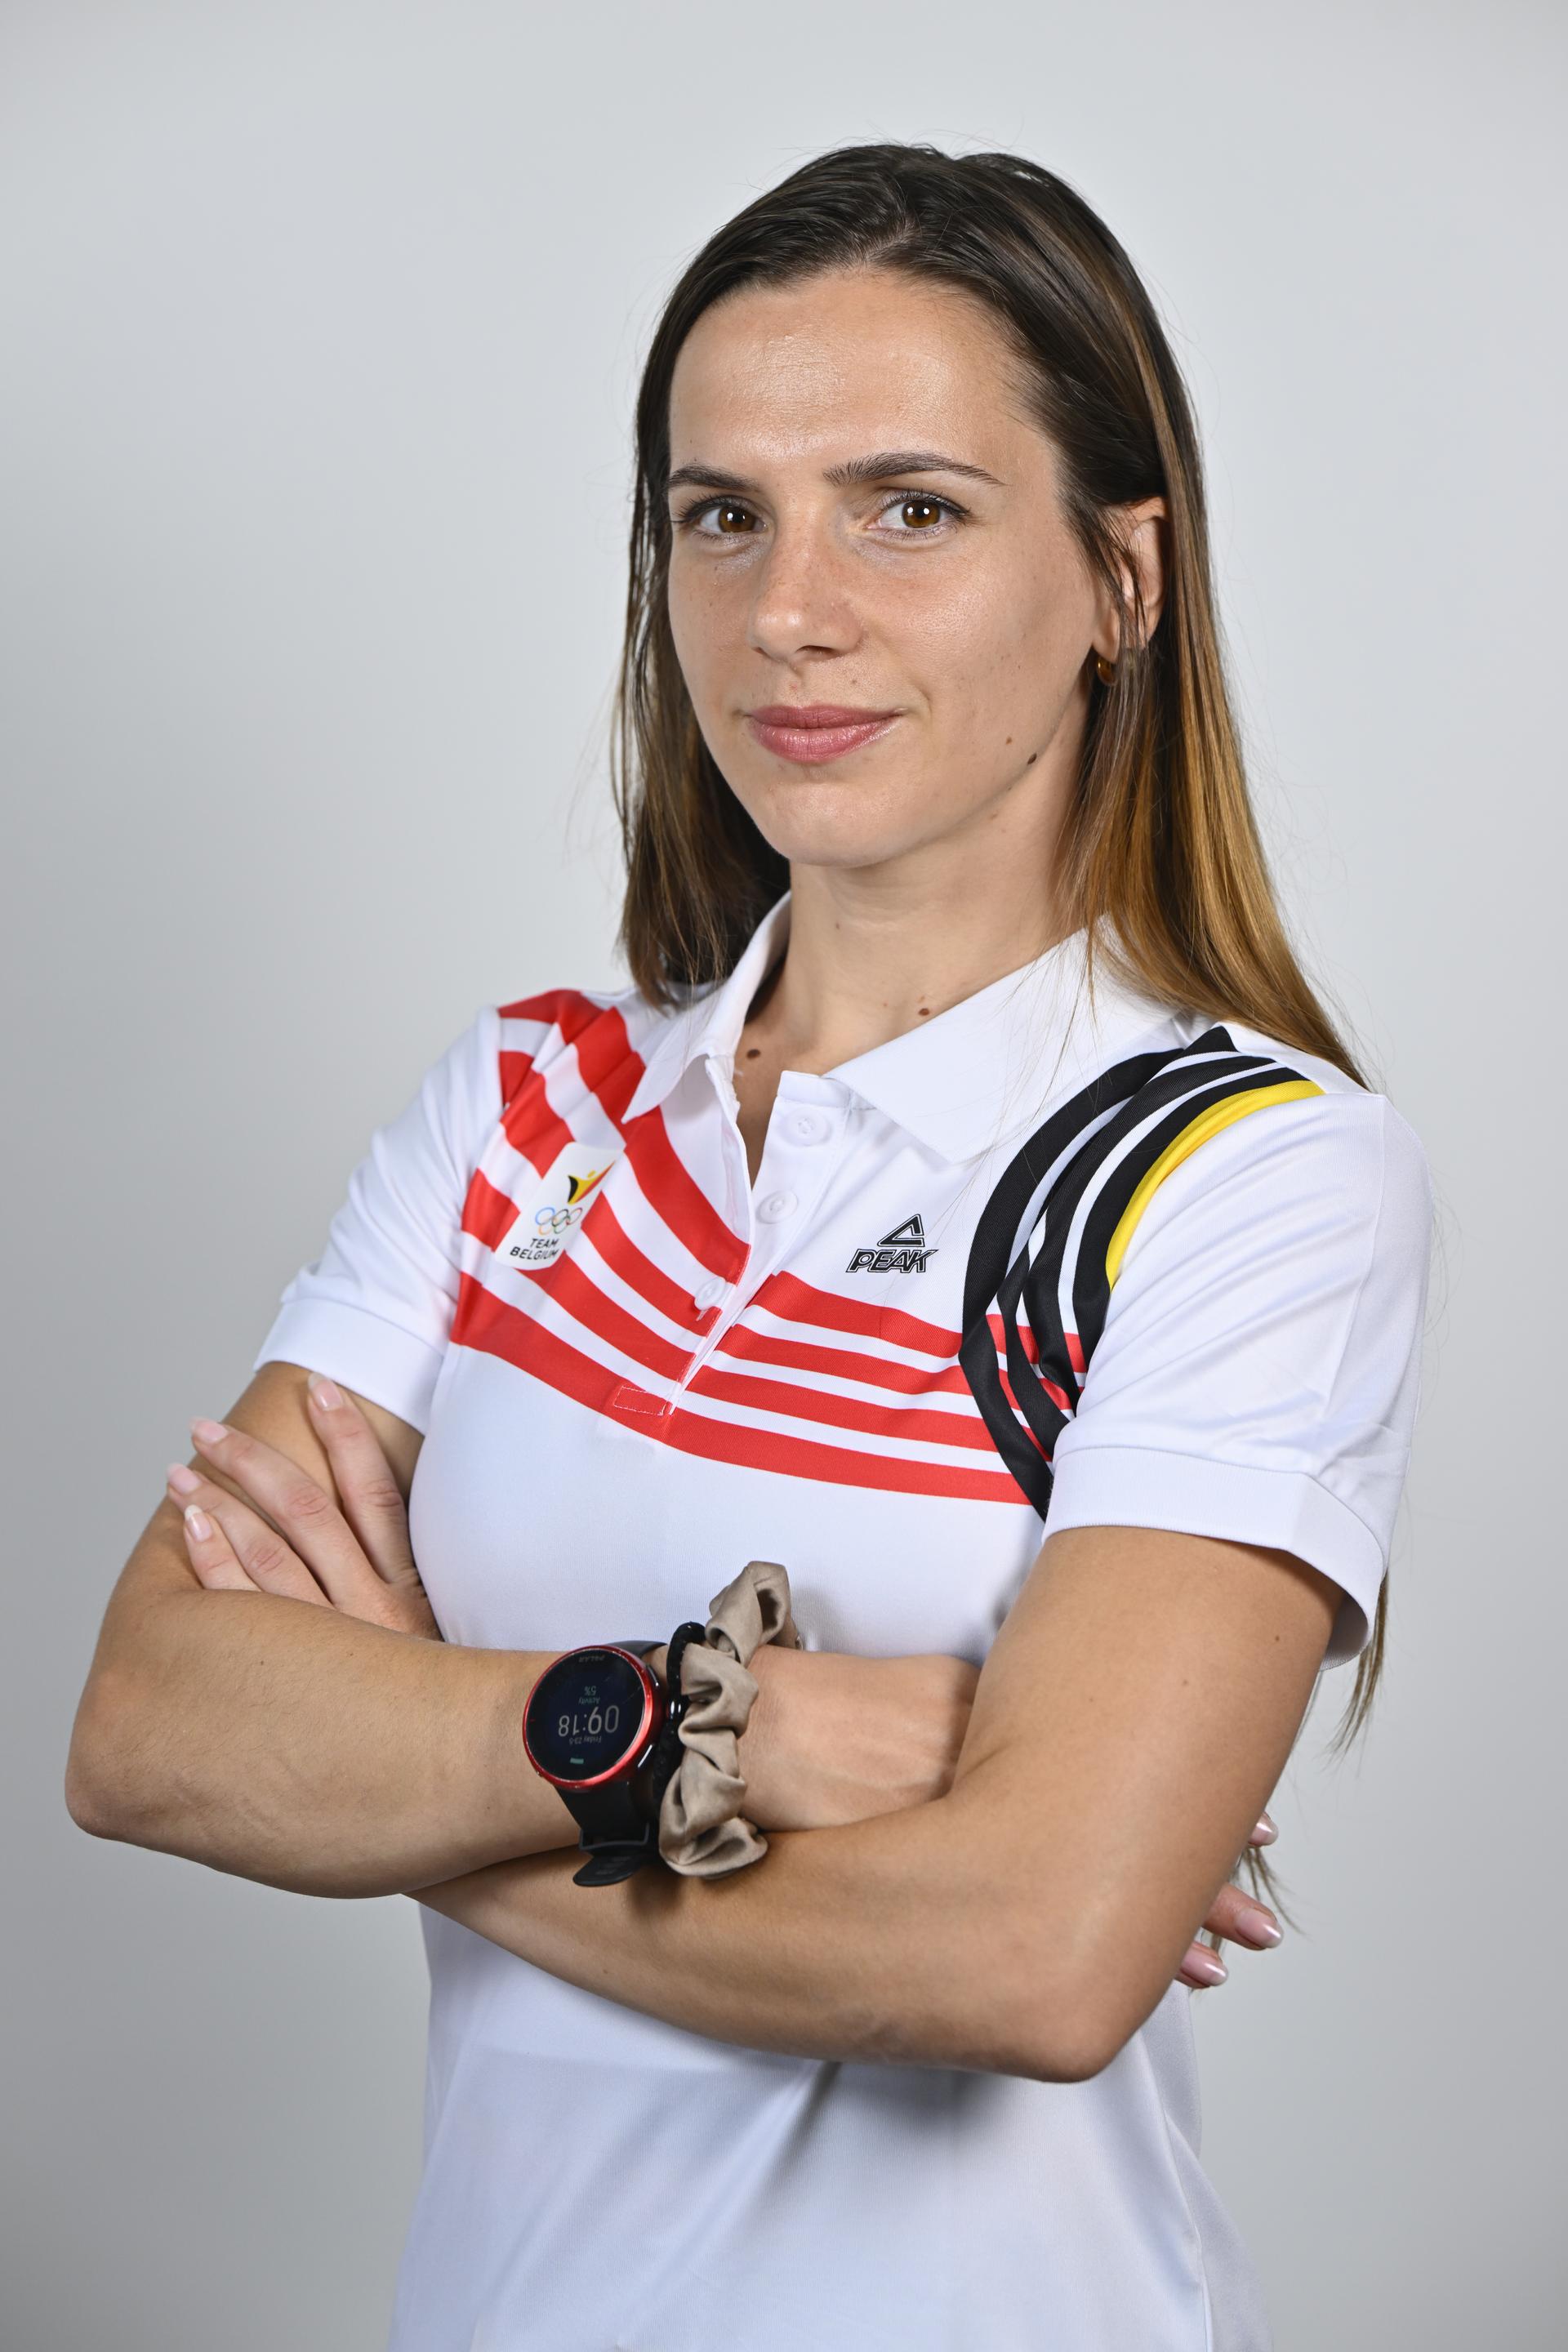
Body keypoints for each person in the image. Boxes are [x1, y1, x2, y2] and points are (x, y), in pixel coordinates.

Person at [66, 142, 1434, 2352]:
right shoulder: (532, 1103)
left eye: (912, 506)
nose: (789, 608)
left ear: (1122, 576)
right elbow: (148, 1729)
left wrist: (419, 1755)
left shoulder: (1250, 1177)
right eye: (722, 514)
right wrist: (737, 1736)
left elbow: (1034, 1957)